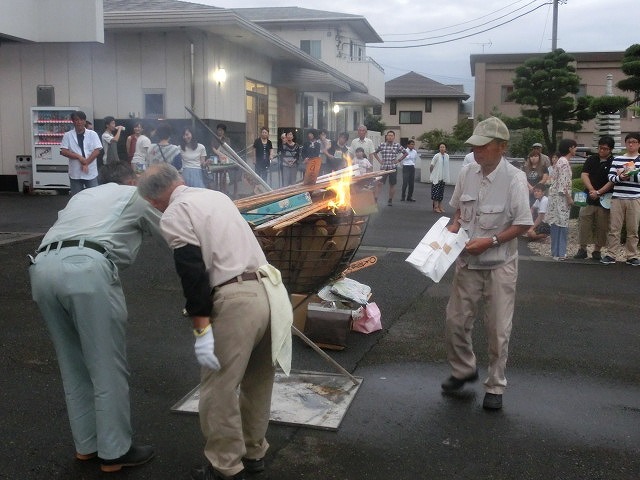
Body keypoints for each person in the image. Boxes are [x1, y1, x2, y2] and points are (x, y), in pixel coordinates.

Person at [136, 163, 292, 480]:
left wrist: (201, 327)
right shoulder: (216, 196)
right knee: (259, 380)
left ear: (154, 201)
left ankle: (224, 464)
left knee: (219, 387)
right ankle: (253, 452)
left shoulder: (175, 213)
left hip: (236, 300)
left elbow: (192, 272)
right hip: (270, 292)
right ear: (179, 179)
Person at [28, 161, 160, 473]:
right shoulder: (135, 195)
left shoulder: (81, 197)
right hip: (86, 267)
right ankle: (115, 452)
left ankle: (86, 445)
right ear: (133, 180)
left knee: (71, 362)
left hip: (42, 266)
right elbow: (175, 231)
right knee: (106, 364)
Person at [441, 117, 531, 411]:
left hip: (499, 264)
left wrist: (490, 242)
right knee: (455, 320)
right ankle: (464, 369)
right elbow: (458, 214)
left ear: (502, 147)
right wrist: (453, 227)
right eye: (474, 146)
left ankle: (495, 384)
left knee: (497, 328)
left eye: (484, 145)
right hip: (468, 262)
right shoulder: (467, 172)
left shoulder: (515, 178)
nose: (477, 151)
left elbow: (521, 224)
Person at [600, 132, 640, 266]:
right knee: (614, 228)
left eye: (634, 141)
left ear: (639, 144)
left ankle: (632, 255)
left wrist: (627, 175)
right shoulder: (617, 159)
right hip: (617, 197)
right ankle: (611, 254)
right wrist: (620, 177)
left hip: (634, 198)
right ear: (625, 143)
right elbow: (611, 177)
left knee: (633, 229)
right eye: (629, 141)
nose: (631, 144)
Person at [573, 135, 615, 260]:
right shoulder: (592, 159)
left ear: (610, 149)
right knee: (584, 221)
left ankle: (597, 250)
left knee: (603, 225)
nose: (602, 151)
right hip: (588, 196)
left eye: (605, 149)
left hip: (605, 198)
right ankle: (582, 248)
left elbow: (612, 180)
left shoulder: (614, 161)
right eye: (600, 148)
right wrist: (592, 190)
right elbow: (584, 175)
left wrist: (599, 192)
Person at [546, 139, 576, 261]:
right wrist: (569, 198)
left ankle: (556, 252)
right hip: (561, 198)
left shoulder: (560, 161)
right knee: (562, 224)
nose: (575, 150)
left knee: (556, 223)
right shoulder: (564, 162)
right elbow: (563, 184)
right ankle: (560, 253)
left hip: (555, 197)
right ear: (570, 148)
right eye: (575, 147)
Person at [60, 110, 102, 196]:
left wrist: (86, 162)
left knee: (94, 196)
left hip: (90, 171)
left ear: (85, 121)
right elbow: (63, 151)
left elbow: (97, 150)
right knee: (76, 197)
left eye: (81, 120)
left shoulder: (92, 134)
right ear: (73, 121)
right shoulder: (68, 135)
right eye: (76, 120)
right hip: (75, 172)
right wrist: (78, 157)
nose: (79, 122)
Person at [371, 130, 406, 206]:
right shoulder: (382, 145)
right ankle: (376, 199)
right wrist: (380, 161)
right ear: (386, 137)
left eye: (391, 136)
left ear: (394, 137)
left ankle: (390, 200)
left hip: (393, 167)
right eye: (389, 135)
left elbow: (405, 153)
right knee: (379, 183)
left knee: (392, 184)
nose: (390, 137)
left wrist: (398, 160)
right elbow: (374, 152)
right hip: (383, 168)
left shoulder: (397, 145)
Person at [429, 143, 450, 212]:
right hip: (436, 176)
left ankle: (440, 206)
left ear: (445, 148)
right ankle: (436, 207)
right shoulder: (436, 156)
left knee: (441, 192)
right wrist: (432, 174)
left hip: (443, 177)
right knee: (436, 192)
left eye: (443, 147)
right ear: (439, 148)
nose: (442, 148)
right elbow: (432, 165)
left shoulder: (447, 156)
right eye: (441, 147)